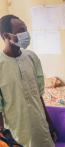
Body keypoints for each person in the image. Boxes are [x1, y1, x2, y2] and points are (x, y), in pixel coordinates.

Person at [0, 15, 55, 147]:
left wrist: (50, 123)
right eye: (20, 30)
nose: (25, 34)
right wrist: (3, 136)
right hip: (16, 133)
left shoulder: (31, 57)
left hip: (40, 128)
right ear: (5, 36)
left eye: (25, 30)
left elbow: (39, 95)